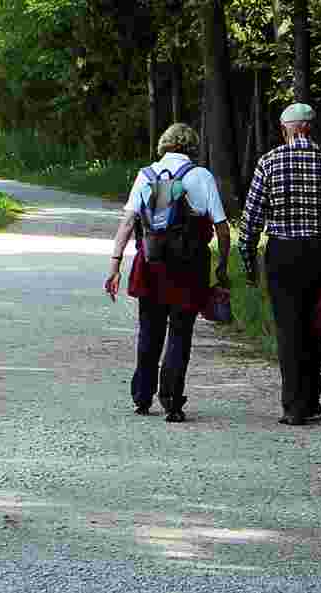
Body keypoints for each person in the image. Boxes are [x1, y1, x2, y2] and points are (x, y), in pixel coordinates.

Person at [238, 103, 321, 426]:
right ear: (310, 128)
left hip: (282, 253)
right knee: (316, 323)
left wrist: (248, 262)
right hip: (320, 252)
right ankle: (312, 399)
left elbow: (250, 221)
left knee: (289, 328)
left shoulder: (269, 162)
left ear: (287, 129)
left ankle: (294, 406)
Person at [105, 123, 230, 422]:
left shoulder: (146, 175)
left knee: (149, 329)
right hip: (189, 267)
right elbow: (221, 227)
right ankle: (172, 400)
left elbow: (127, 223)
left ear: (164, 145)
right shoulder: (200, 176)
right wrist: (222, 263)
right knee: (180, 332)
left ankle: (142, 396)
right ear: (191, 147)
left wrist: (115, 266)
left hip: (151, 263)